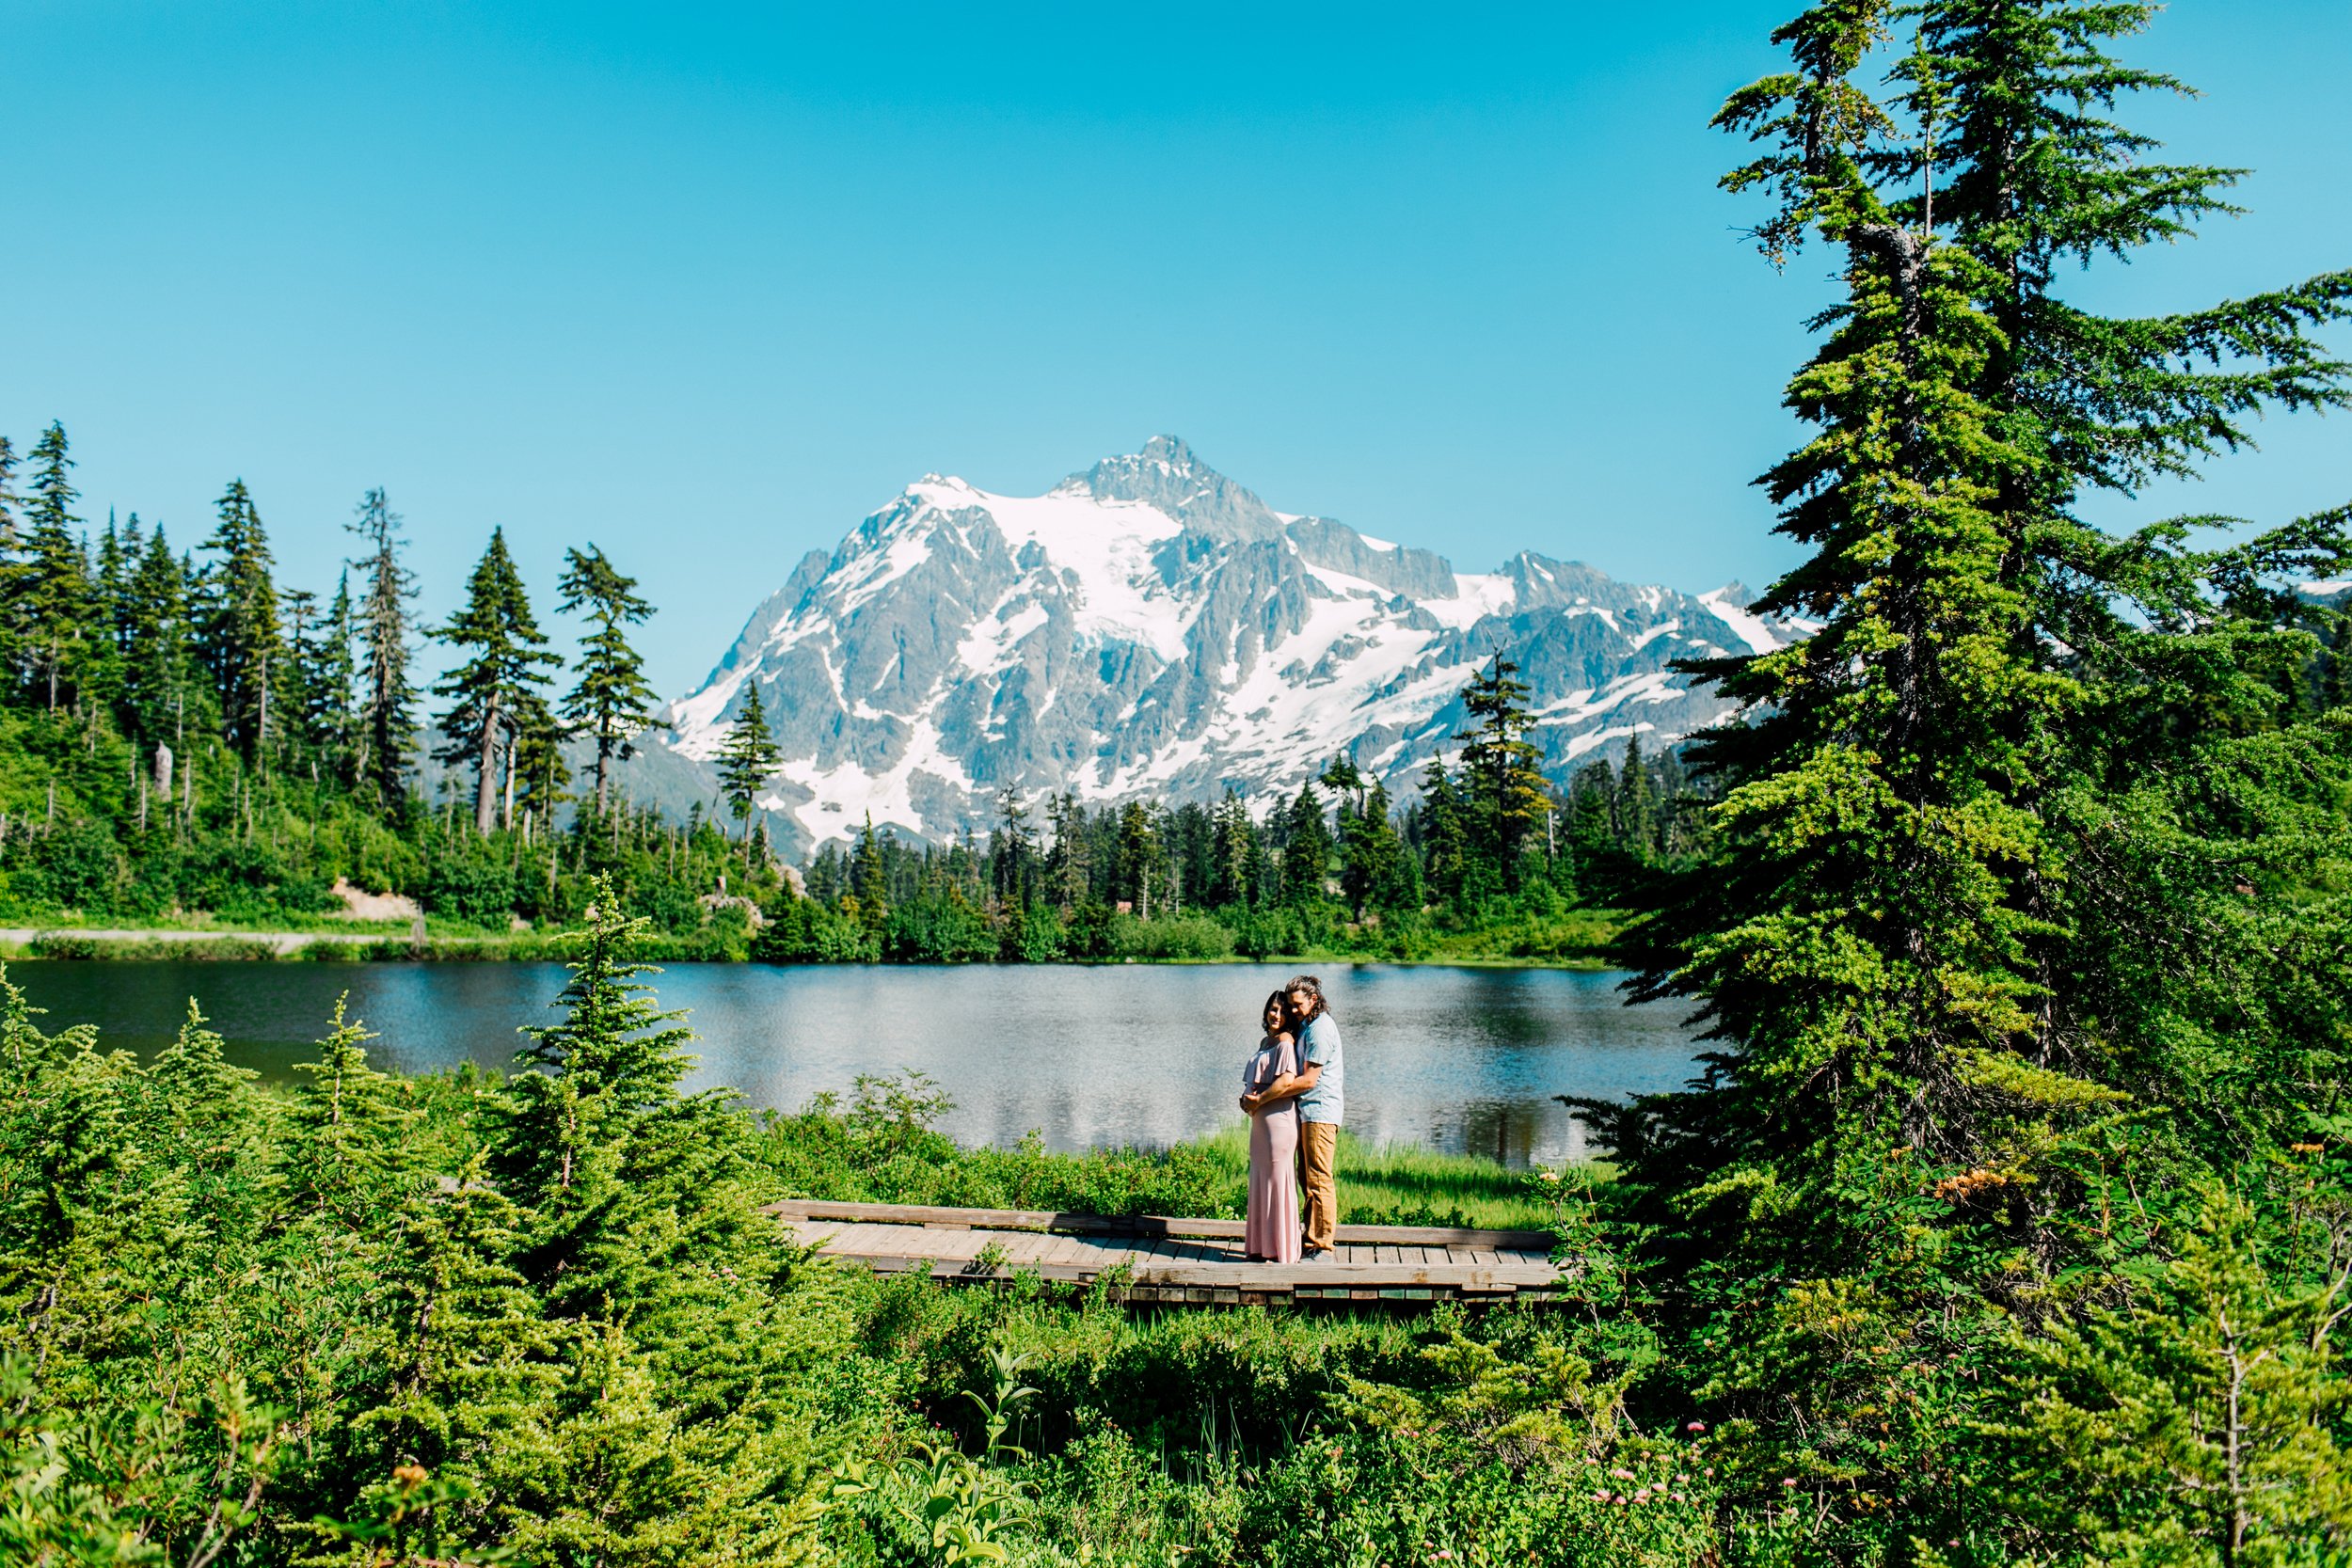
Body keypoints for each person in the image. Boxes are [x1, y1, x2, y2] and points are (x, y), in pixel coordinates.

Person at [1249, 974, 1344, 1259]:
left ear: (1314, 999)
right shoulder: (1307, 1026)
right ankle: (1309, 1240)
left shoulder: (1320, 1029)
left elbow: (1308, 1081)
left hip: (1320, 1111)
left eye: (1296, 1004)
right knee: (1308, 1178)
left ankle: (1323, 1245)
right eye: (1289, 1005)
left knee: (1318, 1179)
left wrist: (1264, 1098)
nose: (1292, 1010)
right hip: (1308, 1112)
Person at [1237, 990, 1301, 1263]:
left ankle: (1280, 1249)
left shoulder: (1286, 1043)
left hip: (1279, 1123)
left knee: (1277, 1183)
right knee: (1260, 1182)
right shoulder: (1266, 1041)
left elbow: (1286, 1081)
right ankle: (1261, 1247)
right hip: (1260, 1123)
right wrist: (1246, 1100)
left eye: (1283, 1012)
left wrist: (1259, 1100)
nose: (1276, 1015)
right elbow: (1254, 1080)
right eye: (1273, 1010)